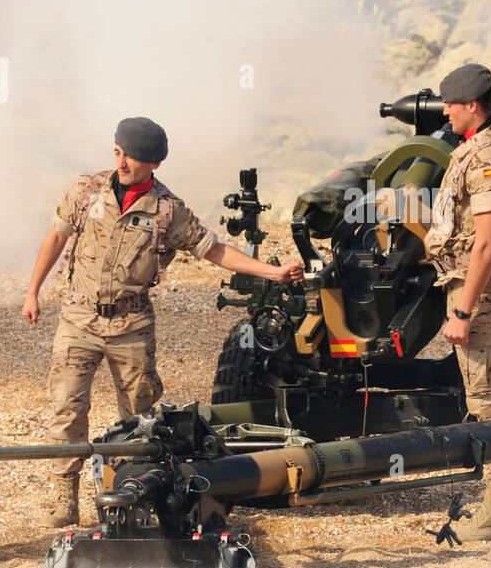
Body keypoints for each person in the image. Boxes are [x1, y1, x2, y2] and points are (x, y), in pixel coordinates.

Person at [21, 116, 304, 527]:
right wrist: (33, 292)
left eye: (131, 158)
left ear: (153, 164)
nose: (121, 164)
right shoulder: (86, 190)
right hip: (78, 320)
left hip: (131, 326)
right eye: (118, 153)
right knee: (67, 410)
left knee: (138, 420)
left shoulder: (168, 211)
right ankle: (65, 500)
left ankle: (129, 497)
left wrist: (272, 273)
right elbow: (56, 236)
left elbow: (215, 251)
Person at [426, 64, 491, 542]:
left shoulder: (487, 158)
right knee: (486, 391)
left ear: (472, 106)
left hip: (481, 290)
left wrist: (463, 311)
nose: (443, 111)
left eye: (450, 104)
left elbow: (485, 244)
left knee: (489, 399)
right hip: (477, 281)